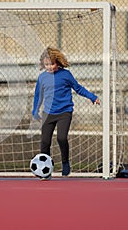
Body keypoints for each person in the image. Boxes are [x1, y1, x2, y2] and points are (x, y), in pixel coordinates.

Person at [32, 47, 100, 178]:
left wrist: (92, 96)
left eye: (52, 64)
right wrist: (35, 111)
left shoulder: (66, 75)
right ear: (43, 64)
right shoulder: (42, 78)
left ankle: (65, 163)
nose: (50, 67)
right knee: (45, 142)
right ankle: (44, 171)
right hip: (48, 113)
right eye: (46, 64)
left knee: (61, 138)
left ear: (57, 62)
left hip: (64, 112)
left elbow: (78, 88)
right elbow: (38, 96)